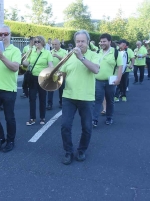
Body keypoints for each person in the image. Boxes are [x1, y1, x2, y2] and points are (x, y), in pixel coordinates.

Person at [60, 30, 99, 165]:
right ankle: (68, 151)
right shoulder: (68, 55)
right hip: (69, 96)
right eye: (78, 41)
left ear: (88, 42)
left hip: (86, 97)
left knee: (87, 127)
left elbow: (95, 69)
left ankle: (81, 150)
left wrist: (81, 57)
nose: (80, 44)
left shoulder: (94, 55)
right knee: (65, 126)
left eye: (83, 41)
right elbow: (62, 75)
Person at [0, 26, 21, 153]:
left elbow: (15, 68)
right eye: (0, 34)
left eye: (5, 34)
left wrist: (2, 57)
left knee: (9, 117)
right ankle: (0, 138)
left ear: (10, 35)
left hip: (8, 89)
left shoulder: (15, 51)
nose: (2, 36)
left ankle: (10, 140)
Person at [92, 33, 123, 127]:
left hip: (111, 82)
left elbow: (120, 67)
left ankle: (109, 118)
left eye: (104, 41)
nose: (102, 43)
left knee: (110, 101)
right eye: (101, 41)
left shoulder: (115, 52)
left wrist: (118, 79)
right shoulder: (97, 52)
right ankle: (94, 119)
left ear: (109, 41)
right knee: (97, 100)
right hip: (98, 81)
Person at [22, 36, 53, 126]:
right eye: (35, 42)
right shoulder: (31, 51)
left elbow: (50, 65)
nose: (36, 43)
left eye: (38, 41)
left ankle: (42, 117)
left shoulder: (47, 53)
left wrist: (52, 73)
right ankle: (32, 118)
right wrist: (22, 60)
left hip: (43, 78)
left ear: (42, 42)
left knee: (42, 99)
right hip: (32, 78)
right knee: (32, 98)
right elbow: (27, 63)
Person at [46, 39, 68, 110]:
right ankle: (49, 104)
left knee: (61, 89)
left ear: (59, 45)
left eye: (55, 44)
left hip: (61, 73)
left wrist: (57, 56)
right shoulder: (50, 52)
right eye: (53, 44)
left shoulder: (64, 51)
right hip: (52, 73)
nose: (54, 46)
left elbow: (66, 61)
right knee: (50, 89)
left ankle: (61, 103)